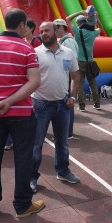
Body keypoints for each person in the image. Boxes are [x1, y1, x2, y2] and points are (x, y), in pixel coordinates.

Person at [0, 8, 44, 218]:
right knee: (23, 158)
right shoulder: (27, 48)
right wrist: (10, 101)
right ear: (22, 25)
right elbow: (35, 81)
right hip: (21, 113)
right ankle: (23, 205)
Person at [30, 22, 81, 194]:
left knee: (62, 142)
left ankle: (63, 171)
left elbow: (75, 76)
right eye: (41, 31)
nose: (43, 33)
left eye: (47, 30)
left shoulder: (68, 53)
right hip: (40, 105)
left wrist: (73, 96)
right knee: (36, 144)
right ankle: (31, 177)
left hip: (63, 104)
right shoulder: (35, 53)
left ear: (55, 32)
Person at [66, 10, 101, 111]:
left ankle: (82, 106)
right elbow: (100, 28)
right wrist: (97, 18)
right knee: (92, 83)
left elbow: (67, 19)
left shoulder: (77, 31)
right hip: (90, 61)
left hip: (79, 62)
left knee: (80, 84)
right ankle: (97, 104)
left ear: (78, 23)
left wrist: (79, 12)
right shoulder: (93, 33)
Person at [54, 18, 78, 139]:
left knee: (67, 104)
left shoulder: (67, 42)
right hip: (66, 76)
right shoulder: (66, 41)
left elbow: (71, 61)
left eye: (56, 28)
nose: (55, 31)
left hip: (67, 77)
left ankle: (67, 132)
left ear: (61, 28)